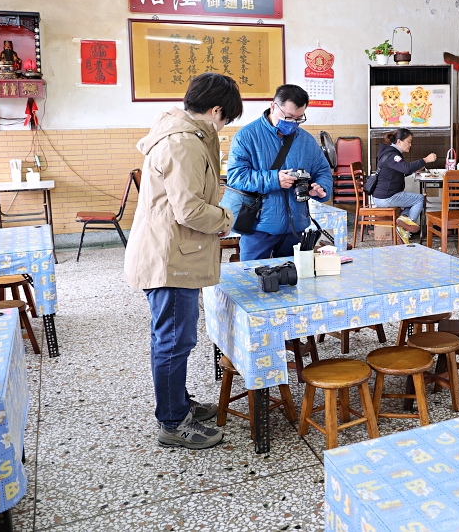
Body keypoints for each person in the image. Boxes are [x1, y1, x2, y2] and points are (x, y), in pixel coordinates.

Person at [124, 73, 242, 450]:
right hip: (171, 257)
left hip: (171, 251)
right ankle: (172, 422)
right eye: (224, 121)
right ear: (215, 110)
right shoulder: (184, 143)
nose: (222, 129)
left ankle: (178, 403)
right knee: (174, 340)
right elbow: (189, 210)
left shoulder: (178, 132)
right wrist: (225, 220)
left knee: (174, 337)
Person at [227, 84, 333, 261]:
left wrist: (322, 187)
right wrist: (274, 179)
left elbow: (322, 170)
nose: (293, 124)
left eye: (299, 119)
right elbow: (237, 176)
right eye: (289, 117)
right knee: (251, 280)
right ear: (273, 106)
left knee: (293, 282)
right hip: (258, 227)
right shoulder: (246, 137)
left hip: (296, 227)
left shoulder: (306, 140)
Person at [372, 128, 437, 244]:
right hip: (386, 197)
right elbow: (405, 168)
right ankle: (404, 229)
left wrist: (417, 168)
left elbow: (403, 170)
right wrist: (425, 160)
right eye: (409, 141)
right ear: (399, 142)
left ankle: (403, 222)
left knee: (410, 202)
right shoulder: (393, 155)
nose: (410, 145)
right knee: (420, 199)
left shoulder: (390, 153)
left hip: (383, 195)